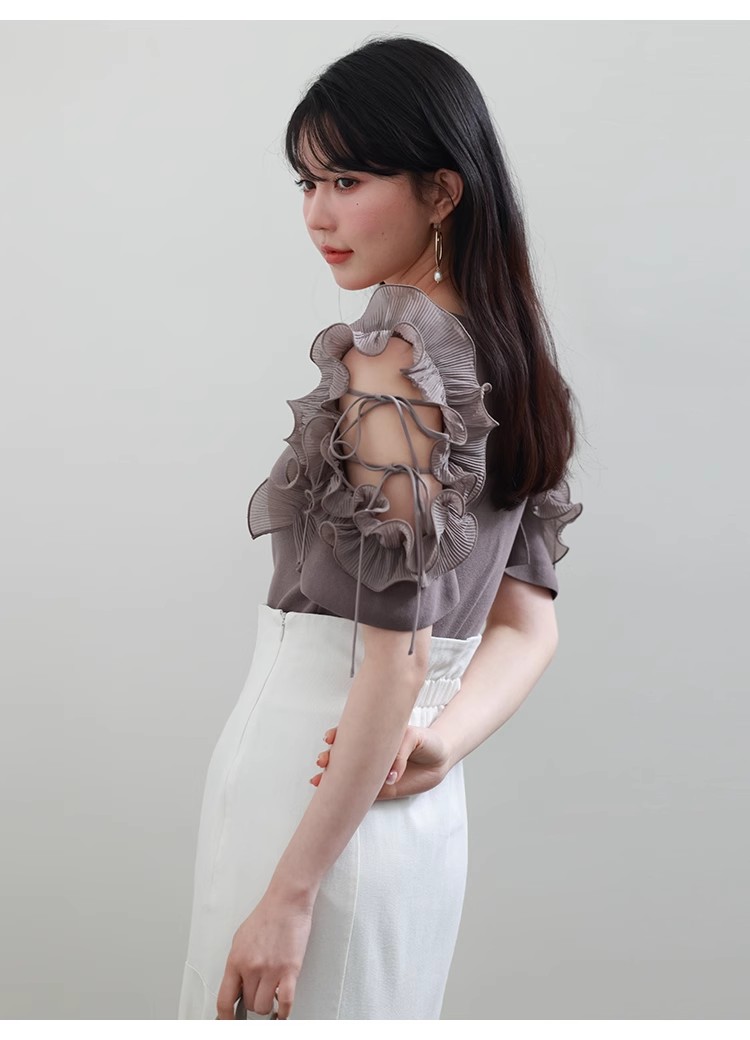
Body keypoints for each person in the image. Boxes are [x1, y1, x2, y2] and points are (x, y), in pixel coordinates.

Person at [177, 34, 583, 1021]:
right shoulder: (517, 362)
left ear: (442, 192)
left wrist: (289, 896)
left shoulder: (389, 366)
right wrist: (440, 745)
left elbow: (393, 662)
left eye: (348, 180)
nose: (318, 213)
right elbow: (529, 626)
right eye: (308, 181)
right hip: (415, 810)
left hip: (309, 794)